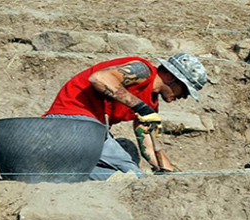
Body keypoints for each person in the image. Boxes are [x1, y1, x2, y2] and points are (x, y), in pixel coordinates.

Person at [44, 53, 208, 181]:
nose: (184, 97)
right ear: (173, 77)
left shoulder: (150, 106)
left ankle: (50, 170)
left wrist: (170, 172)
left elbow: (149, 147)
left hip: (85, 130)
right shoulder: (143, 70)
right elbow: (99, 78)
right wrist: (140, 107)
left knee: (117, 174)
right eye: (185, 90)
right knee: (129, 173)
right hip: (70, 120)